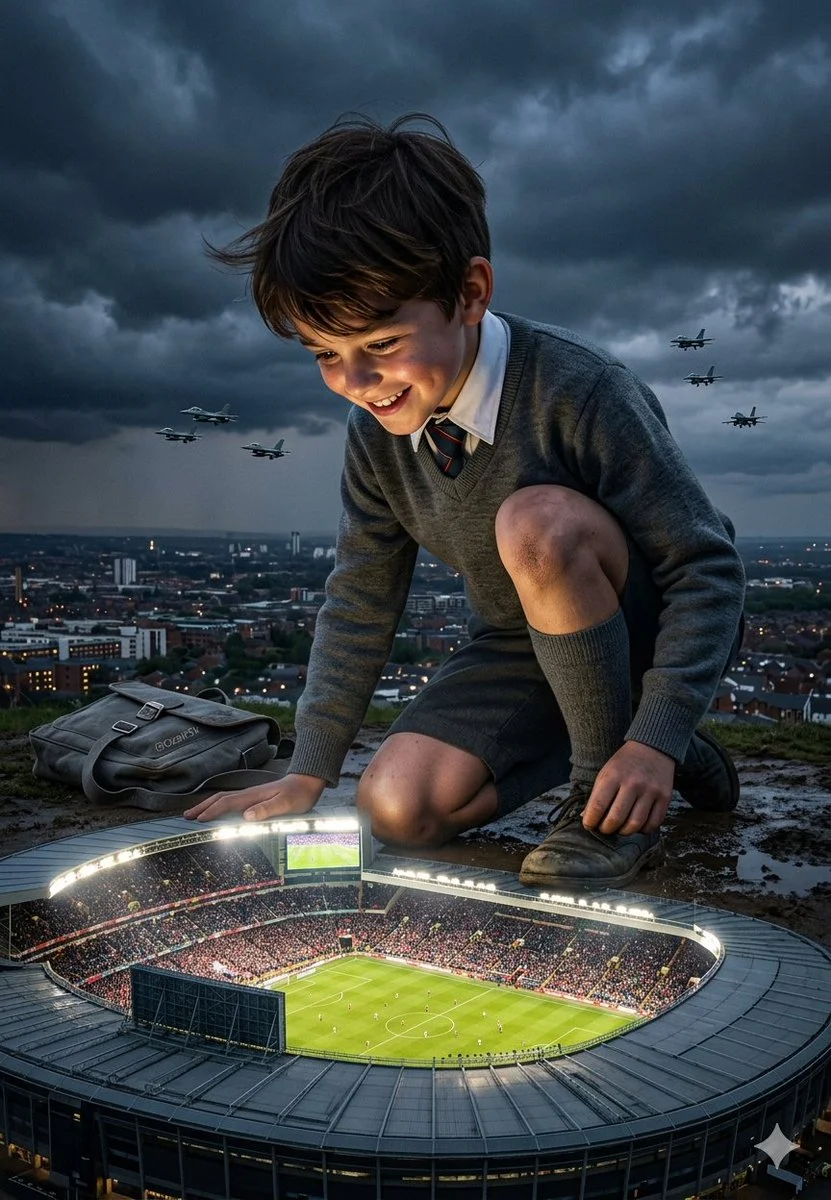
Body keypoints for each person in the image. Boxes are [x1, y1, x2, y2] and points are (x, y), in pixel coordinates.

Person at [185, 113, 745, 890]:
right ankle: (651, 743)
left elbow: (706, 571)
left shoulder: (579, 389)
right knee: (394, 808)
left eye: (379, 345)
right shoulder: (375, 434)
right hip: (523, 645)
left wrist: (655, 736)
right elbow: (360, 598)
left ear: (470, 293)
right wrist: (307, 773)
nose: (353, 380)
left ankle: (608, 788)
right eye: (324, 354)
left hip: (645, 624)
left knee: (535, 525)